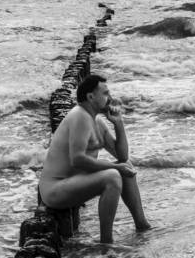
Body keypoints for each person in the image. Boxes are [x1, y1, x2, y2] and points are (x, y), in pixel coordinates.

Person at [38, 74, 150, 244]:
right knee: (112, 176)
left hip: (74, 182)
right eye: (105, 94)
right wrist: (116, 168)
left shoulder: (95, 121)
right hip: (55, 190)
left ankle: (142, 225)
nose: (110, 98)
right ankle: (106, 242)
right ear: (91, 97)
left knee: (125, 165)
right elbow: (78, 160)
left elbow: (122, 156)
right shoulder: (80, 116)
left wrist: (118, 124)